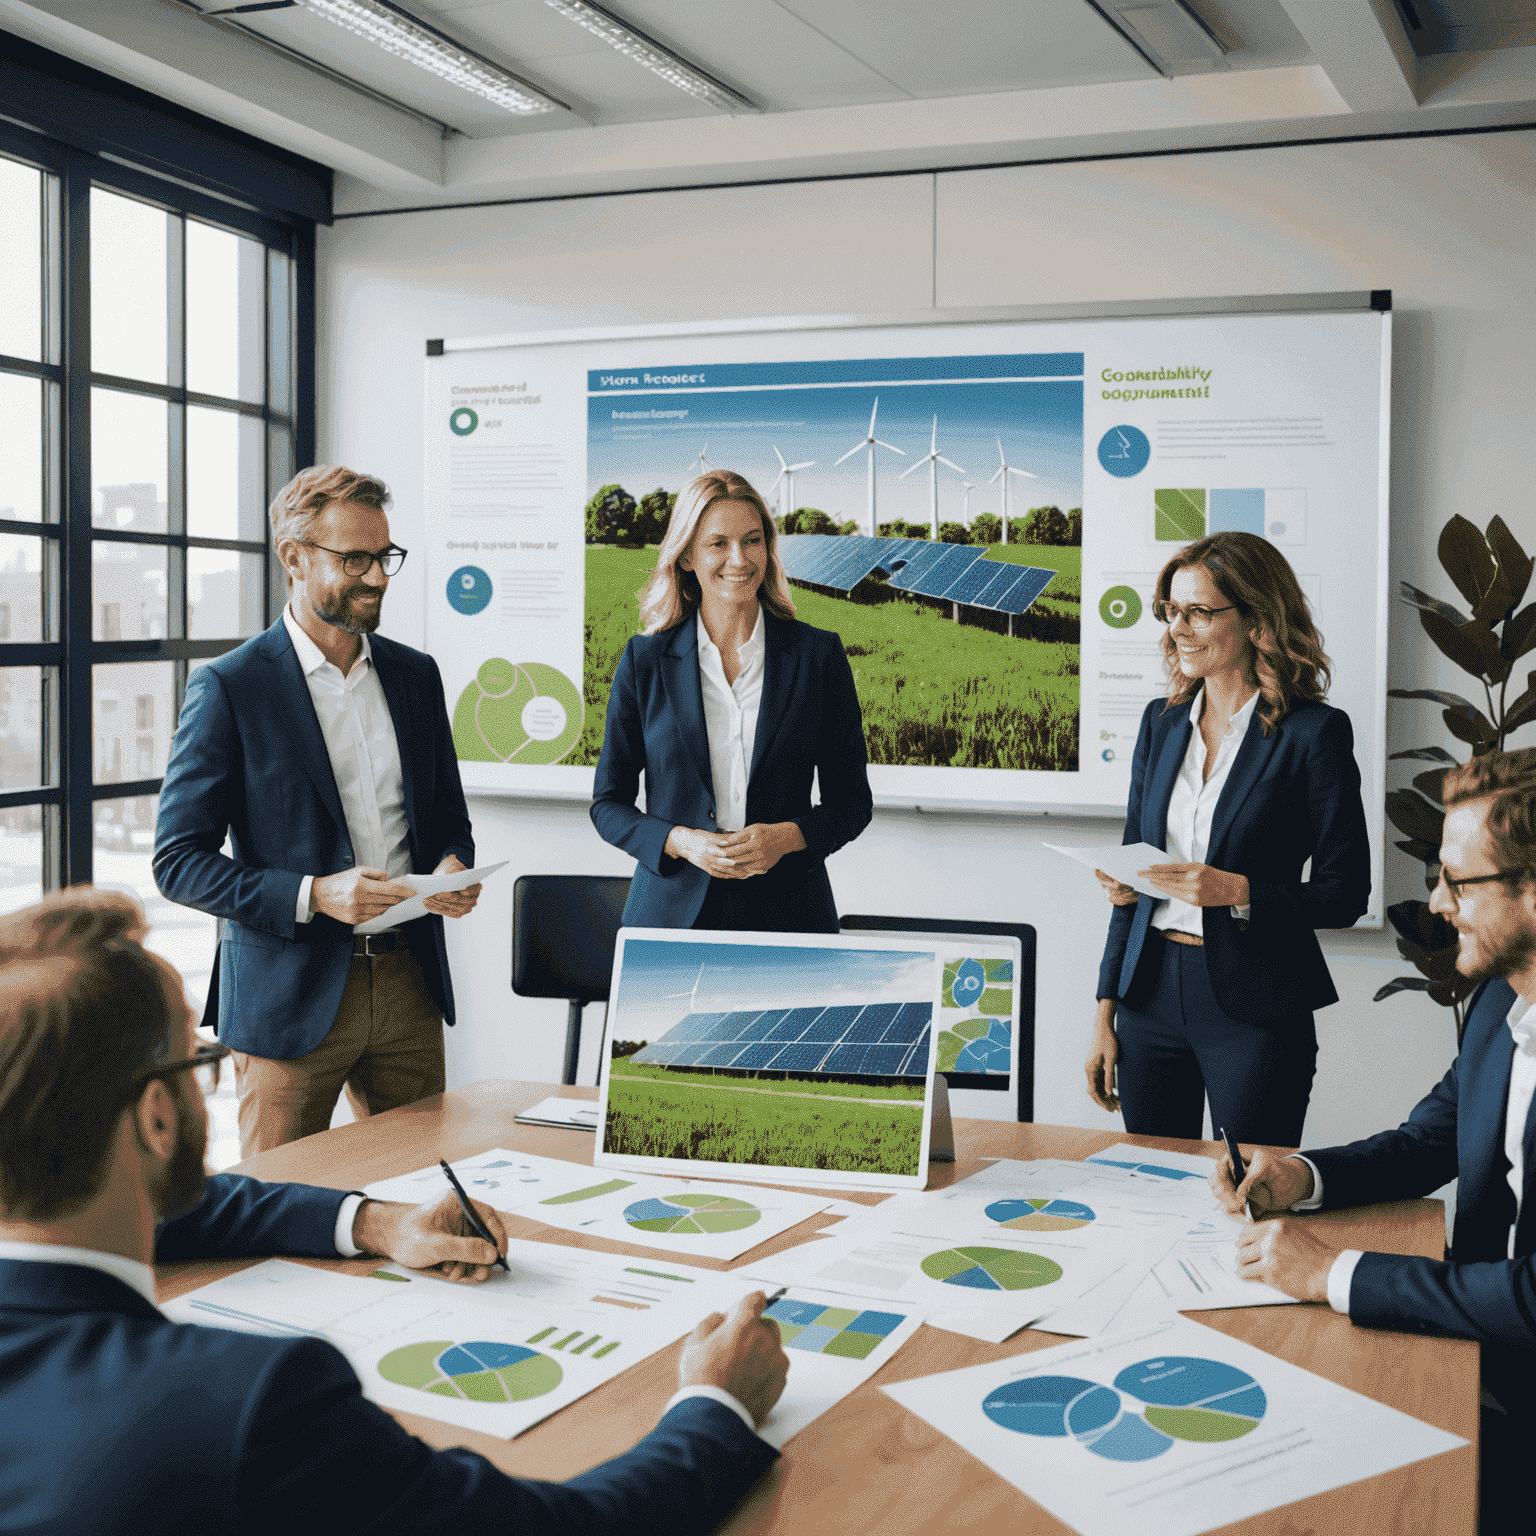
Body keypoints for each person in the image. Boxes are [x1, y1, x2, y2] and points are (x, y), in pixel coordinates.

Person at [0, 891, 788, 1533]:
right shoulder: (252, 1404)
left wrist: (379, 1222)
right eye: (197, 1058)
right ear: (158, 1121)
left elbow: (198, 1211)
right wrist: (714, 1404)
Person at [1211, 748, 1536, 1534]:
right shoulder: (1501, 1002)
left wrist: (1336, 1273)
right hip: (1488, 1367)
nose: (1437, 904)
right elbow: (1430, 1137)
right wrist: (1300, 1174)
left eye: (1460, 882)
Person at [154, 465, 482, 1157]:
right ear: (293, 559)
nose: (377, 577)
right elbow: (177, 861)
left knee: (425, 1185)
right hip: (286, 997)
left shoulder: (415, 675)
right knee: (278, 1206)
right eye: (353, 559)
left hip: (407, 988)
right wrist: (313, 895)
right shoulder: (229, 688)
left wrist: (453, 866)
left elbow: (448, 818)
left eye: (384, 557)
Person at [1085, 531, 1370, 1144]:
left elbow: (1346, 893)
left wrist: (1238, 890)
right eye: (1170, 611)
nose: (1177, 629)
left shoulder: (1312, 733)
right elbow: (1135, 876)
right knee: (1154, 1185)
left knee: (1248, 1197)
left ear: (1256, 619)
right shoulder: (1160, 724)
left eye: (1198, 612)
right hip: (1148, 994)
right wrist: (1105, 1011)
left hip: (1254, 1005)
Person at [591, 470, 872, 932]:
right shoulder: (645, 660)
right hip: (671, 917)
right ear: (686, 557)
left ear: (768, 549)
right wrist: (681, 841)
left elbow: (852, 803)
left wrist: (786, 837)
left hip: (791, 913)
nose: (739, 559)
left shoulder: (817, 656)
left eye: (753, 541)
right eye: (718, 543)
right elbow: (608, 804)